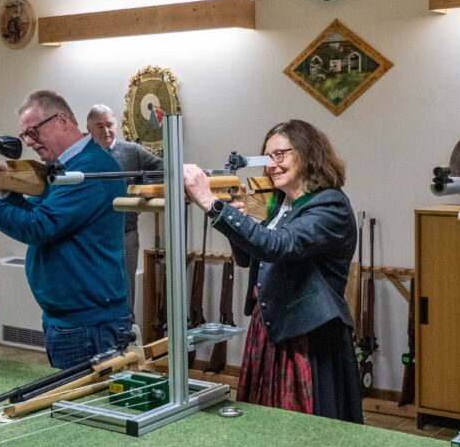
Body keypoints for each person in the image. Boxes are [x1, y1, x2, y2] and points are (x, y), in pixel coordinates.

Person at [182, 119, 363, 422]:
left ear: (308, 153)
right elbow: (250, 256)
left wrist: (213, 204)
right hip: (273, 331)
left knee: (303, 430)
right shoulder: (282, 204)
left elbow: (279, 246)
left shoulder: (330, 206)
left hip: (308, 337)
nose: (272, 165)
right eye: (268, 158)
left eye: (281, 155)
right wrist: (232, 222)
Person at [0, 90, 132, 369]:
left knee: (82, 409)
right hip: (72, 321)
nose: (29, 142)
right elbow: (38, 213)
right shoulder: (64, 167)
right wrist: (7, 188)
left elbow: (37, 227)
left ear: (62, 120)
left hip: (89, 324)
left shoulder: (89, 169)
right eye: (25, 135)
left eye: (33, 131)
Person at [86, 104, 162, 310]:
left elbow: (163, 170)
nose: (106, 130)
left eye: (109, 125)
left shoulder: (132, 151)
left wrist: (139, 192)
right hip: (90, 235)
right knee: (94, 288)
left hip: (125, 233)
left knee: (125, 287)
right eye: (99, 126)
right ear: (89, 128)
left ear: (116, 125)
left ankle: (126, 334)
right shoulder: (82, 156)